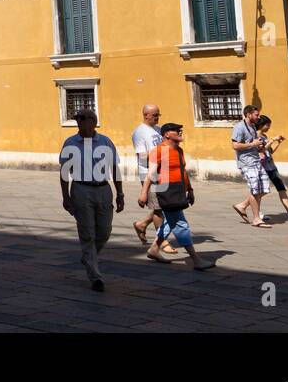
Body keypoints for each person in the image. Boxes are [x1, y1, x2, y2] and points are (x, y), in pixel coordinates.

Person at [58, 108, 124, 292]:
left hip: (103, 189)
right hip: (80, 189)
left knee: (104, 230)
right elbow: (64, 172)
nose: (79, 121)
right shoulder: (70, 143)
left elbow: (115, 169)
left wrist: (120, 194)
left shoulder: (105, 141)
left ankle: (88, 257)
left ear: (93, 121)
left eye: (83, 118)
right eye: (77, 118)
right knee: (87, 233)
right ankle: (95, 277)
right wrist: (66, 196)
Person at [139, 123, 215, 271]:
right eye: (176, 130)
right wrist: (143, 193)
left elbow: (183, 171)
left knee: (168, 222)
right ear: (167, 134)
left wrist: (190, 189)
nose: (180, 131)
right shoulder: (158, 151)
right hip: (165, 191)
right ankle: (196, 260)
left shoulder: (179, 150)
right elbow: (151, 174)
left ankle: (154, 249)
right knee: (180, 224)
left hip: (178, 190)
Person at [129, 104, 180, 254]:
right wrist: (160, 159)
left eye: (158, 114)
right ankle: (162, 241)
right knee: (158, 208)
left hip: (164, 171)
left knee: (163, 205)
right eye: (155, 115)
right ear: (146, 115)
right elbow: (142, 156)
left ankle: (141, 224)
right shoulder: (139, 132)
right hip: (150, 174)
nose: (158, 117)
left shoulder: (158, 130)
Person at [253, 115, 288, 220]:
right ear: (261, 125)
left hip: (271, 166)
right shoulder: (255, 137)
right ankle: (256, 212)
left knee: (281, 188)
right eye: (267, 125)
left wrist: (278, 143)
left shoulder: (264, 136)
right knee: (260, 191)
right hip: (262, 167)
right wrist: (272, 140)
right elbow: (261, 150)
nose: (269, 127)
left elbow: (270, 151)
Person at [231, 105, 272, 228]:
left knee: (264, 188)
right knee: (255, 190)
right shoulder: (239, 127)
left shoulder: (253, 127)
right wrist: (252, 144)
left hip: (256, 160)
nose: (259, 117)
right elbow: (235, 145)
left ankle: (242, 205)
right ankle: (256, 219)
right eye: (256, 115)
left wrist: (259, 145)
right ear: (248, 114)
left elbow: (253, 143)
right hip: (246, 163)